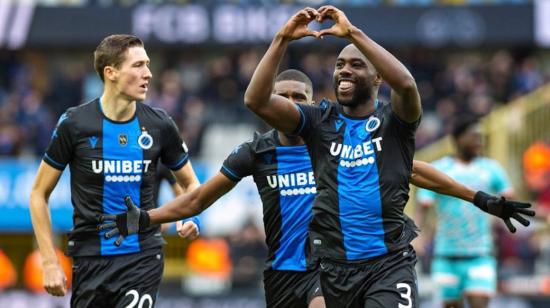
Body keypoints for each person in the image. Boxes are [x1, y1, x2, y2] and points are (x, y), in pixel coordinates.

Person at [99, 68, 532, 308]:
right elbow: (197, 198)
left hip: (325, 270)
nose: (290, 104)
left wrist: (481, 198)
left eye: (298, 96)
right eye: (282, 97)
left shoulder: (332, 139)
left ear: (310, 100)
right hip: (281, 274)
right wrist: (149, 218)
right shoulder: (256, 152)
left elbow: (414, 170)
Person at [240, 6, 534, 307]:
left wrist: (353, 33)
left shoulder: (394, 121)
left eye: (356, 65)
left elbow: (406, 87)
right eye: (340, 64)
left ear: (378, 76)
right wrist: (282, 38)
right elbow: (256, 100)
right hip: (334, 269)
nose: (344, 70)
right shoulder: (318, 121)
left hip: (388, 265)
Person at [29, 34, 200, 307]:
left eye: (148, 64)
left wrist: (188, 217)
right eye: (138, 65)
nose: (149, 73)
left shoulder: (160, 125)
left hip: (143, 257)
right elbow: (39, 194)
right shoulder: (74, 124)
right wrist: (49, 263)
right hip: (89, 260)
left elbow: (191, 184)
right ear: (111, 72)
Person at [415, 117, 522, 308]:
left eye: (480, 137)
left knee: (480, 304)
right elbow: (423, 205)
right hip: (446, 255)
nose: (478, 141)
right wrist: (417, 236)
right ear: (457, 139)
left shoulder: (491, 168)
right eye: (473, 136)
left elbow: (512, 203)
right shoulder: (440, 169)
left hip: (480, 254)